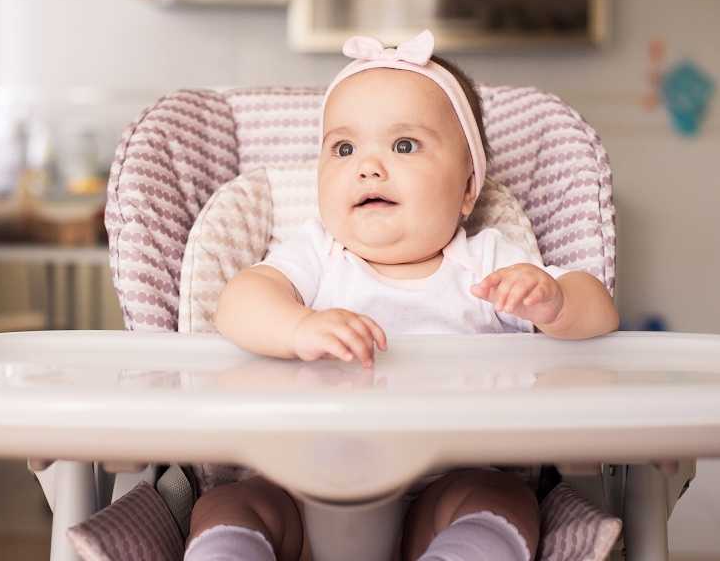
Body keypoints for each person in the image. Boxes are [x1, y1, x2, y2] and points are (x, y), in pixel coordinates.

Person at [185, 30, 619, 561]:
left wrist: (554, 302)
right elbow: (239, 302)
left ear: (467, 190)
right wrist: (297, 327)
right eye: (344, 148)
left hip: (445, 490)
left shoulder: (487, 263)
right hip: (303, 491)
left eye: (404, 145)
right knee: (233, 504)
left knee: (503, 497)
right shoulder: (319, 255)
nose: (368, 166)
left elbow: (599, 312)